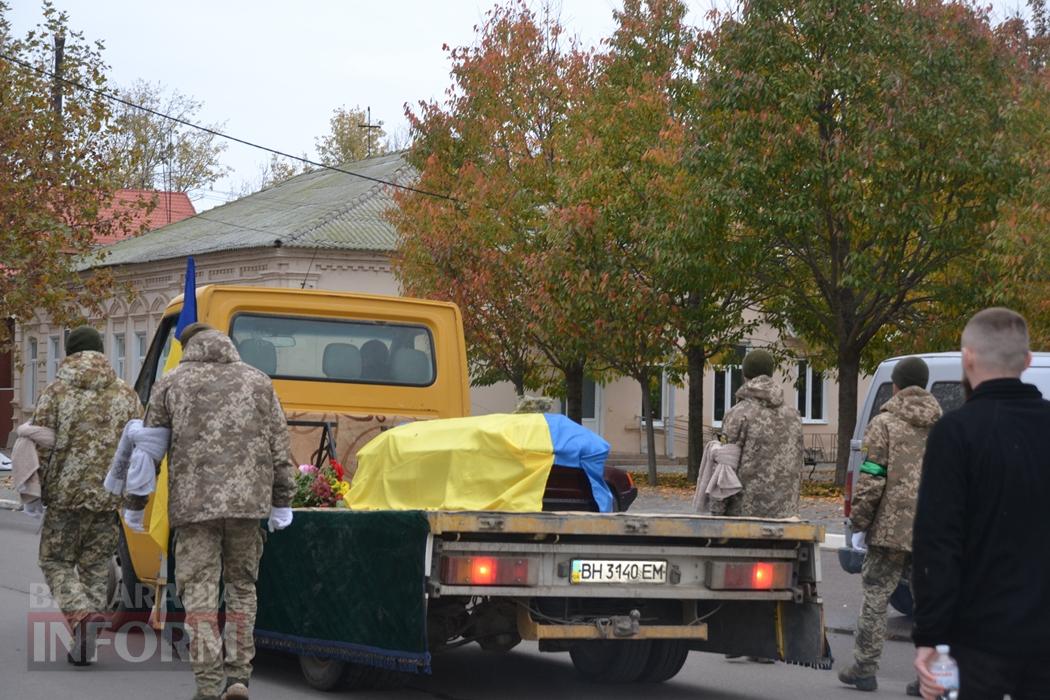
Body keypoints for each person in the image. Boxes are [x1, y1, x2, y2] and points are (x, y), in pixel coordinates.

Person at [128, 323, 296, 700]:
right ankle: (238, 678)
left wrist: (136, 506)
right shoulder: (258, 382)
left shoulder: (171, 382)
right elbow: (279, 450)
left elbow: (148, 454)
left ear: (186, 347)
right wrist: (282, 501)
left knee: (201, 596)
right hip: (247, 508)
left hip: (194, 510)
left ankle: (208, 685)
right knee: (242, 591)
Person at [912, 308, 1050, 699]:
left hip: (977, 641)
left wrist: (930, 636)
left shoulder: (956, 433)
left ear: (967, 357)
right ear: (1026, 361)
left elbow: (938, 542)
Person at [31, 325, 143, 664]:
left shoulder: (56, 392)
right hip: (109, 496)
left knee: (55, 560)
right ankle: (85, 645)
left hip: (65, 495)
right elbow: (139, 445)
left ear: (69, 353)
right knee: (96, 566)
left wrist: (36, 489)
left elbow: (41, 444)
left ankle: (81, 615)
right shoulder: (126, 394)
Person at [838, 357, 941, 693]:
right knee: (930, 602)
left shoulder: (884, 423)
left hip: (890, 529)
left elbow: (872, 477)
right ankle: (929, 675)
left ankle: (864, 669)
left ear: (896, 385)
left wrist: (859, 521)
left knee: (876, 596)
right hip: (931, 529)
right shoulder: (943, 424)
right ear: (923, 385)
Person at [717, 349, 805, 518]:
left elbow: (724, 468)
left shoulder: (737, 414)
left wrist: (716, 513)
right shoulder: (794, 416)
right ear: (771, 373)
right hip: (785, 516)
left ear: (745, 375)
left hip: (744, 517)